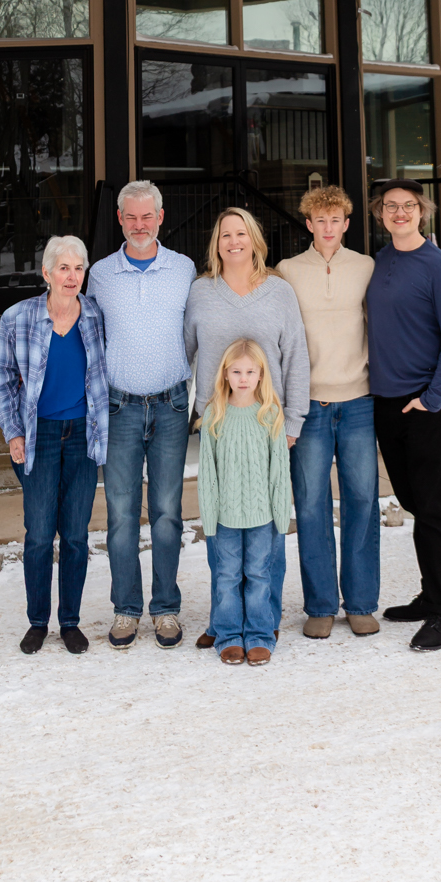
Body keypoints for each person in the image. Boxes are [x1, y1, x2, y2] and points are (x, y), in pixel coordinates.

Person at [183, 208, 309, 648]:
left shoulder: (279, 292)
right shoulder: (201, 292)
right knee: (223, 524)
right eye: (225, 235)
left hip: (266, 423)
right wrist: (193, 412)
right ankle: (224, 622)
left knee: (264, 525)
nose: (233, 241)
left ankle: (263, 619)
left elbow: (295, 355)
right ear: (216, 244)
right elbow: (184, 352)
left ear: (255, 239)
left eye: (241, 233)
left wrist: (292, 420)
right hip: (218, 424)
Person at [86, 179, 196, 651]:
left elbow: (198, 329)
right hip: (120, 407)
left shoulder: (184, 269)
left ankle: (166, 609)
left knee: (169, 513)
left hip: (171, 405)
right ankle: (126, 609)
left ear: (161, 217)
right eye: (130, 217)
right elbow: (91, 339)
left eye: (146, 216)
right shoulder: (101, 274)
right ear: (119, 220)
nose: (139, 225)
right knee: (121, 514)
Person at [0, 234, 108, 655]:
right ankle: (38, 621)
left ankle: (70, 621)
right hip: (38, 436)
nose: (72, 276)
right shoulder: (18, 318)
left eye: (79, 268)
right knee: (39, 534)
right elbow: (1, 379)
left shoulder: (96, 315)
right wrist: (13, 432)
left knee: (75, 535)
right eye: (63, 268)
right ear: (46, 273)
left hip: (82, 436)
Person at [366, 179, 441, 653]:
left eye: (409, 206)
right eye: (391, 207)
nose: (400, 213)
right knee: (411, 500)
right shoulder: (380, 263)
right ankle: (429, 595)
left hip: (425, 402)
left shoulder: (439, 268)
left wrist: (434, 397)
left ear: (422, 211)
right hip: (385, 401)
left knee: (433, 508)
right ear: (379, 213)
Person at [277, 186, 379, 640]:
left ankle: (359, 603)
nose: (328, 227)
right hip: (310, 405)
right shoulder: (287, 271)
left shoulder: (366, 267)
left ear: (346, 223)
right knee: (312, 505)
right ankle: (320, 604)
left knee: (361, 502)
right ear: (309, 224)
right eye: (320, 220)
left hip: (358, 400)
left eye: (336, 219)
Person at [195, 339, 293, 665]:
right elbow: (208, 473)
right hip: (225, 517)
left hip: (262, 516)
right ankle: (228, 635)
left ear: (261, 375)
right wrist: (209, 517)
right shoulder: (214, 415)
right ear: (224, 374)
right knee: (227, 577)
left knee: (259, 575)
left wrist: (281, 516)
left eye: (251, 371)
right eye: (236, 371)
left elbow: (279, 471)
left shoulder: (270, 415)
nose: (243, 378)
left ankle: (260, 635)